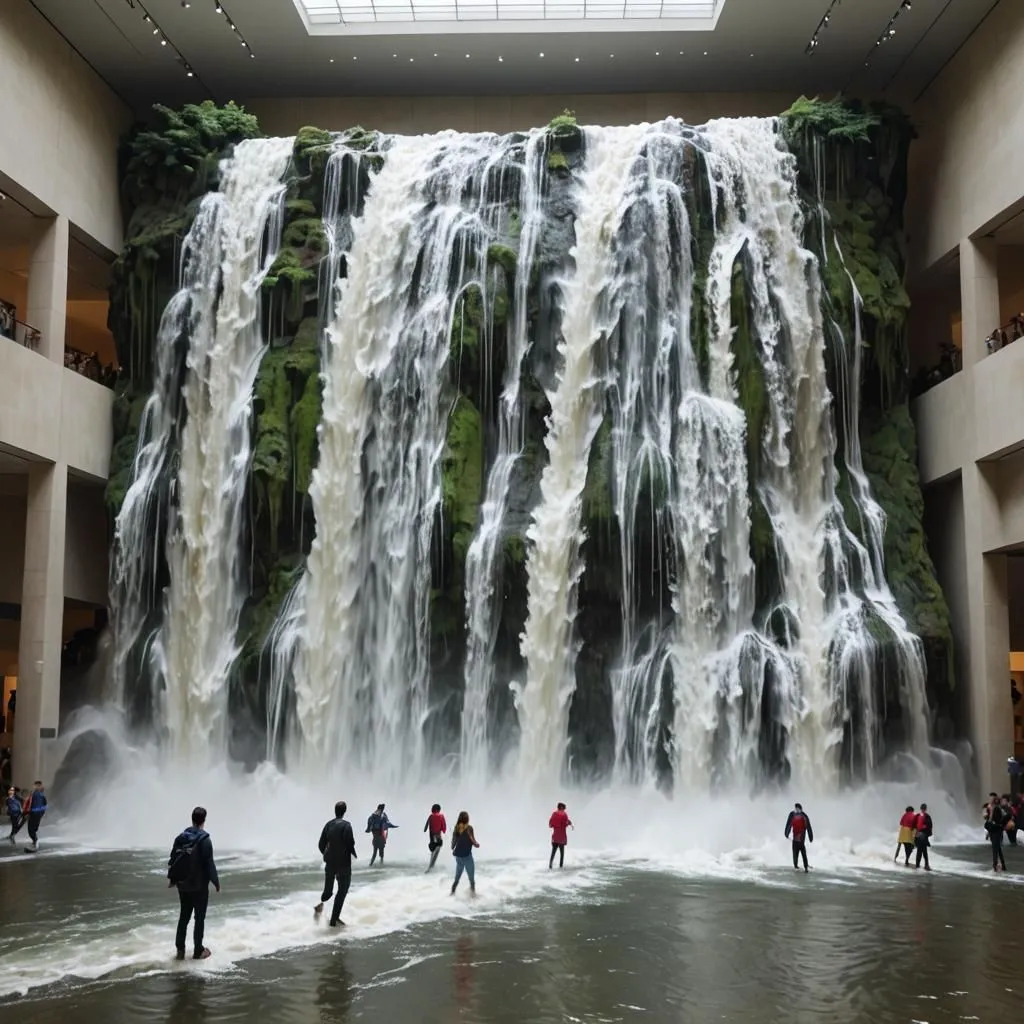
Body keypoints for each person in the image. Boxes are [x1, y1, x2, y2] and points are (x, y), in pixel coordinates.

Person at [167, 806, 220, 960]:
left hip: (182, 885)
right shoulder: (205, 840)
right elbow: (209, 864)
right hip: (199, 886)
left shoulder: (181, 837)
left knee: (184, 917)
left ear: (192, 819)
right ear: (204, 820)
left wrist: (173, 879)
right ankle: (198, 951)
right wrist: (216, 882)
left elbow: (172, 859)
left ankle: (180, 951)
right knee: (199, 918)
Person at [316, 800, 357, 927]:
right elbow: (350, 843)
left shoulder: (328, 825)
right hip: (343, 864)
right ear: (344, 811)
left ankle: (317, 910)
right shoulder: (346, 825)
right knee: (342, 890)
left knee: (327, 892)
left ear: (335, 811)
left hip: (330, 863)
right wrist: (353, 854)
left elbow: (321, 844)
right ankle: (334, 920)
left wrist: (327, 855)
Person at [450, 811, 479, 896]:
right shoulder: (469, 828)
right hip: (467, 857)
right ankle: (473, 896)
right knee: (471, 879)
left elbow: (452, 845)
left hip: (458, 857)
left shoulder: (456, 828)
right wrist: (476, 844)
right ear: (467, 819)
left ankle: (451, 895)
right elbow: (473, 841)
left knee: (457, 878)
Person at [784, 802, 813, 872]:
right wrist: (810, 837)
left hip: (796, 839)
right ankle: (805, 867)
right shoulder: (803, 815)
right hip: (801, 839)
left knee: (795, 853)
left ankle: (796, 866)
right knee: (803, 853)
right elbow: (808, 827)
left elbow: (788, 824)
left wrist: (786, 834)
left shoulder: (793, 815)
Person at [548, 802, 573, 869]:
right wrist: (569, 823)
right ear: (562, 807)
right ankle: (560, 867)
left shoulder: (554, 814)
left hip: (555, 836)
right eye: (564, 808)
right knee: (562, 853)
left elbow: (550, 824)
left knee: (553, 852)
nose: (564, 809)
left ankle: (550, 866)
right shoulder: (564, 814)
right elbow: (565, 823)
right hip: (562, 837)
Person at [424, 803, 447, 872]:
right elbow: (444, 826)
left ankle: (430, 866)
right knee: (437, 848)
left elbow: (426, 827)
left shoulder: (430, 816)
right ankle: (431, 866)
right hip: (438, 837)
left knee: (433, 850)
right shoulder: (441, 816)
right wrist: (443, 830)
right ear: (439, 810)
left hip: (432, 837)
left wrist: (425, 829)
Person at [25, 781, 47, 851]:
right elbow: (44, 805)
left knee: (31, 829)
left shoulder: (37, 794)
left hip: (35, 814)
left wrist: (29, 813)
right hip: (36, 814)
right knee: (33, 829)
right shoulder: (39, 794)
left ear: (39, 786)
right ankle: (35, 842)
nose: (35, 787)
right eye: (35, 785)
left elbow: (42, 805)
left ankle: (35, 842)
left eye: (37, 785)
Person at [914, 803, 933, 871]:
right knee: (924, 851)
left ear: (920, 808)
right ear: (925, 809)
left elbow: (914, 824)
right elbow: (930, 826)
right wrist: (928, 834)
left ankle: (917, 865)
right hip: (924, 836)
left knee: (919, 850)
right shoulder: (927, 816)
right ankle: (926, 865)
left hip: (918, 835)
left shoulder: (918, 815)